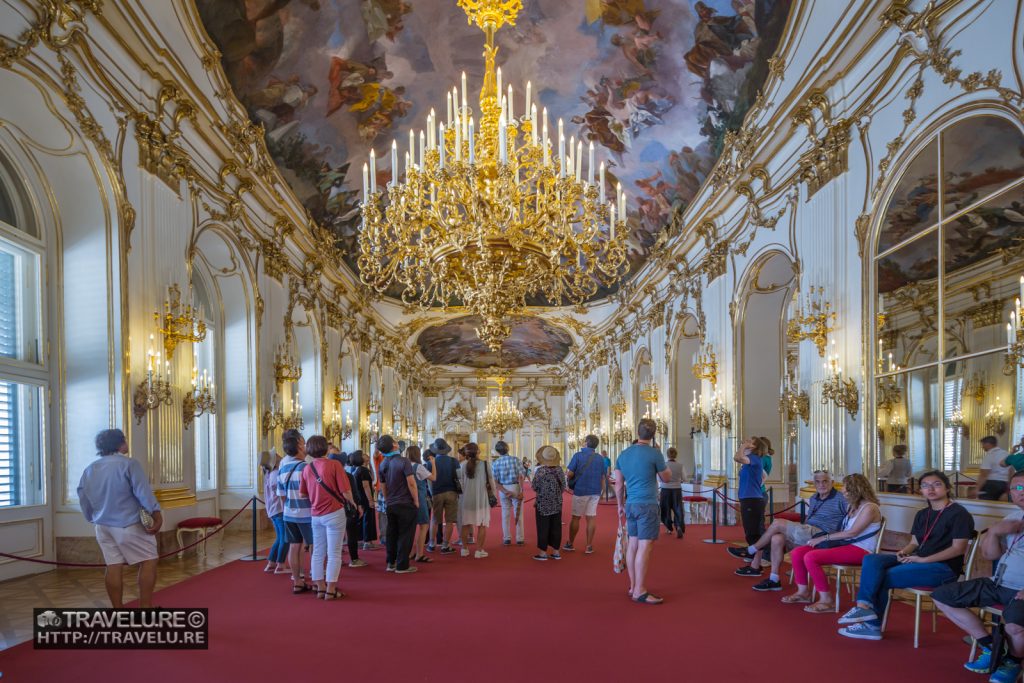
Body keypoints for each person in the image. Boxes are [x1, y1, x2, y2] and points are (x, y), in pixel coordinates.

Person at [838, 470, 974, 641]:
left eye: (936, 484)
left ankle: (871, 626)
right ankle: (863, 606)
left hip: (942, 568)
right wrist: (904, 552)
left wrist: (923, 560)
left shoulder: (959, 514)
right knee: (872, 559)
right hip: (917, 560)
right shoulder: (922, 514)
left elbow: (958, 549)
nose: (930, 489)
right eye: (925, 485)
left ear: (947, 488)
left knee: (883, 576)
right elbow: (915, 543)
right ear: (921, 490)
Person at [934, 469, 1024, 683]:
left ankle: (1013, 662)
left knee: (1014, 624)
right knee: (943, 595)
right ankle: (992, 646)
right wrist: (994, 532)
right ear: (1010, 492)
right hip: (999, 583)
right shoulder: (1012, 517)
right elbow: (989, 554)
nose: (1022, 492)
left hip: (1021, 590)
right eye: (1017, 488)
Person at [77, 429, 163, 608]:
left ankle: (118, 611)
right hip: (128, 523)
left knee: (113, 565)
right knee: (149, 559)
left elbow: (83, 496)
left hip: (102, 526)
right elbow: (143, 493)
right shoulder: (129, 464)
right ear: (119, 443)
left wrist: (92, 517)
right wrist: (156, 514)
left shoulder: (90, 469)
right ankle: (145, 608)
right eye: (124, 439)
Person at [781, 474, 882, 612]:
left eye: (846, 489)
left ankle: (827, 600)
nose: (843, 492)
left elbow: (852, 533)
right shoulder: (853, 506)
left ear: (856, 490)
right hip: (845, 545)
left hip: (861, 549)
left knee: (811, 557)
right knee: (798, 553)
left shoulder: (870, 508)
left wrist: (823, 538)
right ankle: (803, 592)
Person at [741, 470, 849, 590]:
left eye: (825, 481)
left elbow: (852, 516)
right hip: (808, 532)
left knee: (777, 523)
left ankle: (751, 550)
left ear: (832, 482)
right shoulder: (814, 498)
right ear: (814, 483)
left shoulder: (841, 498)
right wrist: (799, 528)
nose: (821, 485)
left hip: (822, 535)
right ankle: (774, 579)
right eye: (818, 482)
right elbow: (809, 519)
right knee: (777, 538)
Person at [615, 418, 673, 605]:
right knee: (645, 547)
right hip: (647, 504)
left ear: (637, 432)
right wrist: (659, 459)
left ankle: (633, 586)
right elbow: (666, 478)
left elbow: (618, 485)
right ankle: (639, 590)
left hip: (631, 503)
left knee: (633, 545)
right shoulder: (654, 454)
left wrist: (620, 505)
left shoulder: (623, 454)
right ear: (654, 434)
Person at [299, 435, 358, 600]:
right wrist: (353, 503)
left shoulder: (307, 468)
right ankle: (331, 589)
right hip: (334, 512)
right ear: (326, 448)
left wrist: (316, 498)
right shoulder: (334, 465)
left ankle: (320, 588)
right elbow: (345, 491)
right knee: (334, 552)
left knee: (317, 552)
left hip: (316, 515)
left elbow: (303, 495)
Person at [277, 430, 313, 594]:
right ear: (299, 447)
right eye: (303, 444)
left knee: (294, 546)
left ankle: (297, 580)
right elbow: (312, 493)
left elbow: (281, 496)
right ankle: (316, 574)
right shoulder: (306, 468)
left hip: (289, 513)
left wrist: (288, 509)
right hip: (307, 513)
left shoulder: (282, 469)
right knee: (314, 545)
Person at [378, 435, 420, 573]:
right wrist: (416, 500)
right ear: (394, 446)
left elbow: (383, 486)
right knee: (406, 534)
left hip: (391, 503)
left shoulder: (383, 463)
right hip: (405, 502)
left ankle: (391, 562)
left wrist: (388, 499)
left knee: (392, 533)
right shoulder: (404, 461)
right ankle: (402, 565)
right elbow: (411, 483)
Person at [565, 434, 608, 553]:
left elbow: (570, 474)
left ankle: (570, 543)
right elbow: (603, 476)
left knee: (576, 518)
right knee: (591, 517)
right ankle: (589, 546)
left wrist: (568, 477)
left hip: (581, 490)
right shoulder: (600, 458)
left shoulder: (578, 455)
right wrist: (603, 491)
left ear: (586, 443)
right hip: (595, 491)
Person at [533, 445, 567, 560]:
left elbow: (534, 486)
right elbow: (563, 486)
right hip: (557, 502)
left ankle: (543, 553)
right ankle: (556, 551)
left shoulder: (540, 471)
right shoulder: (559, 470)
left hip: (542, 503)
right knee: (556, 526)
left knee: (543, 527)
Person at [734, 436, 768, 552]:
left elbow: (737, 457)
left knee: (753, 534)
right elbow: (763, 476)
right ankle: (755, 562)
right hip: (748, 498)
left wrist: (743, 446)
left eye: (749, 442)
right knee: (750, 532)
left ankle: (755, 563)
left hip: (752, 499)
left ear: (755, 447)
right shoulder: (750, 460)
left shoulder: (754, 458)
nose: (746, 442)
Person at [458, 442, 491, 558]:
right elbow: (491, 481)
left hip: (466, 498)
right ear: (478, 452)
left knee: (465, 524)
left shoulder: (462, 465)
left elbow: (460, 482)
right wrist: (494, 496)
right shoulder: (485, 464)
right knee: (482, 524)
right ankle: (479, 550)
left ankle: (464, 549)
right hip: (481, 498)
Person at [426, 438, 459, 554]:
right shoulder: (454, 461)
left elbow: (429, 481)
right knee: (450, 520)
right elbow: (459, 478)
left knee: (435, 519)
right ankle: (445, 545)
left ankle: (431, 544)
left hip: (437, 492)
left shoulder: (430, 463)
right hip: (452, 492)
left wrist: (431, 493)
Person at [492, 440, 526, 546]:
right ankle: (520, 538)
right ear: (508, 449)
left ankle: (506, 538)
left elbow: (495, 481)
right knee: (518, 514)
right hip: (515, 486)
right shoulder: (515, 460)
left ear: (497, 452)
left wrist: (505, 491)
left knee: (505, 514)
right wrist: (521, 490)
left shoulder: (496, 463)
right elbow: (521, 476)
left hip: (503, 488)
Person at [260, 449, 288, 573]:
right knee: (285, 538)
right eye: (276, 455)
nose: (279, 455)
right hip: (279, 509)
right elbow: (280, 493)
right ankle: (280, 564)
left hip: (273, 509)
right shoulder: (276, 473)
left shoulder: (268, 473)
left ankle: (271, 562)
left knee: (279, 537)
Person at [408, 445, 436, 563]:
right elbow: (433, 478)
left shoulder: (405, 465)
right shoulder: (418, 467)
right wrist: (433, 464)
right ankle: (419, 554)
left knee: (410, 527)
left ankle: (410, 552)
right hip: (419, 497)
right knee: (424, 526)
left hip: (407, 498)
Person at [344, 450, 372, 567]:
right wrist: (357, 505)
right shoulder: (348, 475)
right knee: (351, 533)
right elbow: (352, 493)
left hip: (328, 510)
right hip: (348, 507)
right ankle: (354, 559)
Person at [658, 447, 685, 539]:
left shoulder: (664, 465)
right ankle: (678, 526)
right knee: (678, 509)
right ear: (676, 455)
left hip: (665, 489)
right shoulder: (680, 465)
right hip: (677, 489)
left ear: (667, 455)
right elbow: (684, 478)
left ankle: (669, 528)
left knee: (666, 509)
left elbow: (659, 478)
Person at [980, 436, 1011, 500]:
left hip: (992, 484)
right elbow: (1011, 470)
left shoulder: (990, 455)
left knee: (988, 505)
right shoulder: (1006, 453)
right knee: (1000, 504)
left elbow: (984, 474)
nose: (982, 447)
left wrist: (977, 488)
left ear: (988, 444)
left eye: (983, 444)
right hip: (1005, 483)